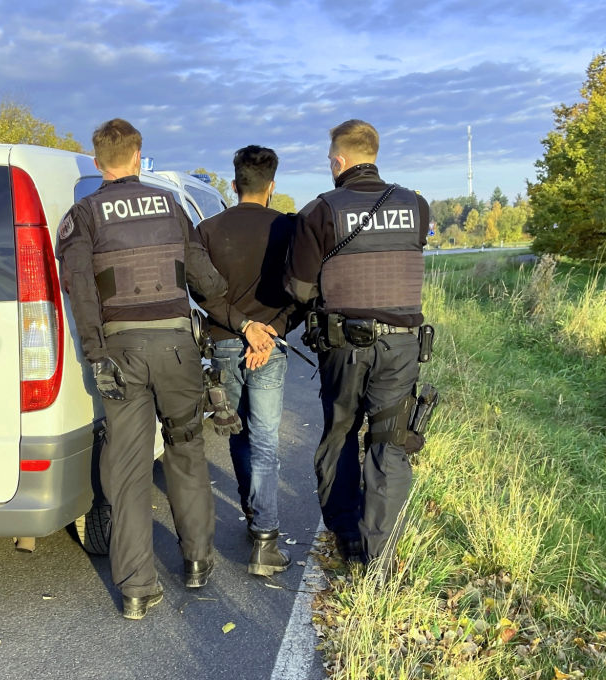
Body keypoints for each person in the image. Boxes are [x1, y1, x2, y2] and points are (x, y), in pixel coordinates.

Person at [55, 118, 236, 620]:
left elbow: (80, 291)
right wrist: (233, 309)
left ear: (98, 162)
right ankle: (196, 562)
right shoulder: (171, 206)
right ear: (138, 156)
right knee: (186, 451)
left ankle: (136, 589)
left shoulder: (83, 215)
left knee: (128, 470)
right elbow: (205, 281)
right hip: (178, 350)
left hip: (121, 354)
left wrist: (96, 355)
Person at [284, 120, 429, 578]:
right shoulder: (416, 205)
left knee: (341, 433)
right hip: (401, 346)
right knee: (390, 442)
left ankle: (347, 536)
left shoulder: (321, 210)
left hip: (344, 344)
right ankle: (378, 562)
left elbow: (299, 287)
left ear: (338, 160)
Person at [196, 145, 301, 577]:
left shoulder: (207, 230)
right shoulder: (290, 229)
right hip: (270, 348)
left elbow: (202, 292)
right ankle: (265, 539)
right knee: (265, 440)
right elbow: (304, 290)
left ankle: (253, 511)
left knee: (238, 432)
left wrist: (243, 327)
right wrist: (271, 328)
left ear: (233, 183)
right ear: (272, 186)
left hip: (224, 341)